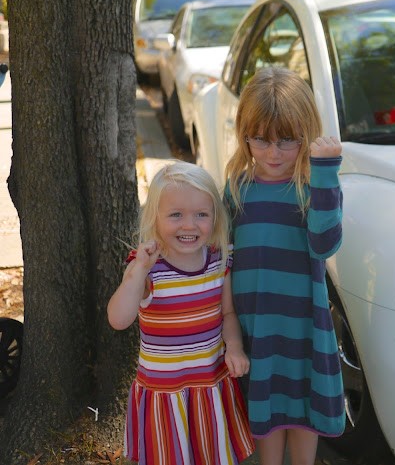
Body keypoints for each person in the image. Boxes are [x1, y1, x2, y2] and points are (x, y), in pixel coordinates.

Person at [224, 67, 345, 465]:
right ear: (245, 134)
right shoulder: (237, 188)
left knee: (303, 412)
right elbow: (221, 254)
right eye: (260, 140)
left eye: (287, 141)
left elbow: (324, 243)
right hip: (257, 323)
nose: (273, 153)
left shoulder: (312, 187)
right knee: (267, 416)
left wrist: (326, 171)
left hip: (302, 323)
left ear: (306, 134)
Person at [107, 161, 255, 465]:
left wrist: (235, 347)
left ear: (215, 217)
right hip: (165, 394)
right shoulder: (148, 269)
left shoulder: (218, 260)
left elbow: (227, 314)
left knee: (213, 454)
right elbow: (119, 319)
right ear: (155, 218)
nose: (189, 225)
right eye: (176, 215)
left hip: (210, 386)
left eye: (201, 214)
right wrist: (137, 273)